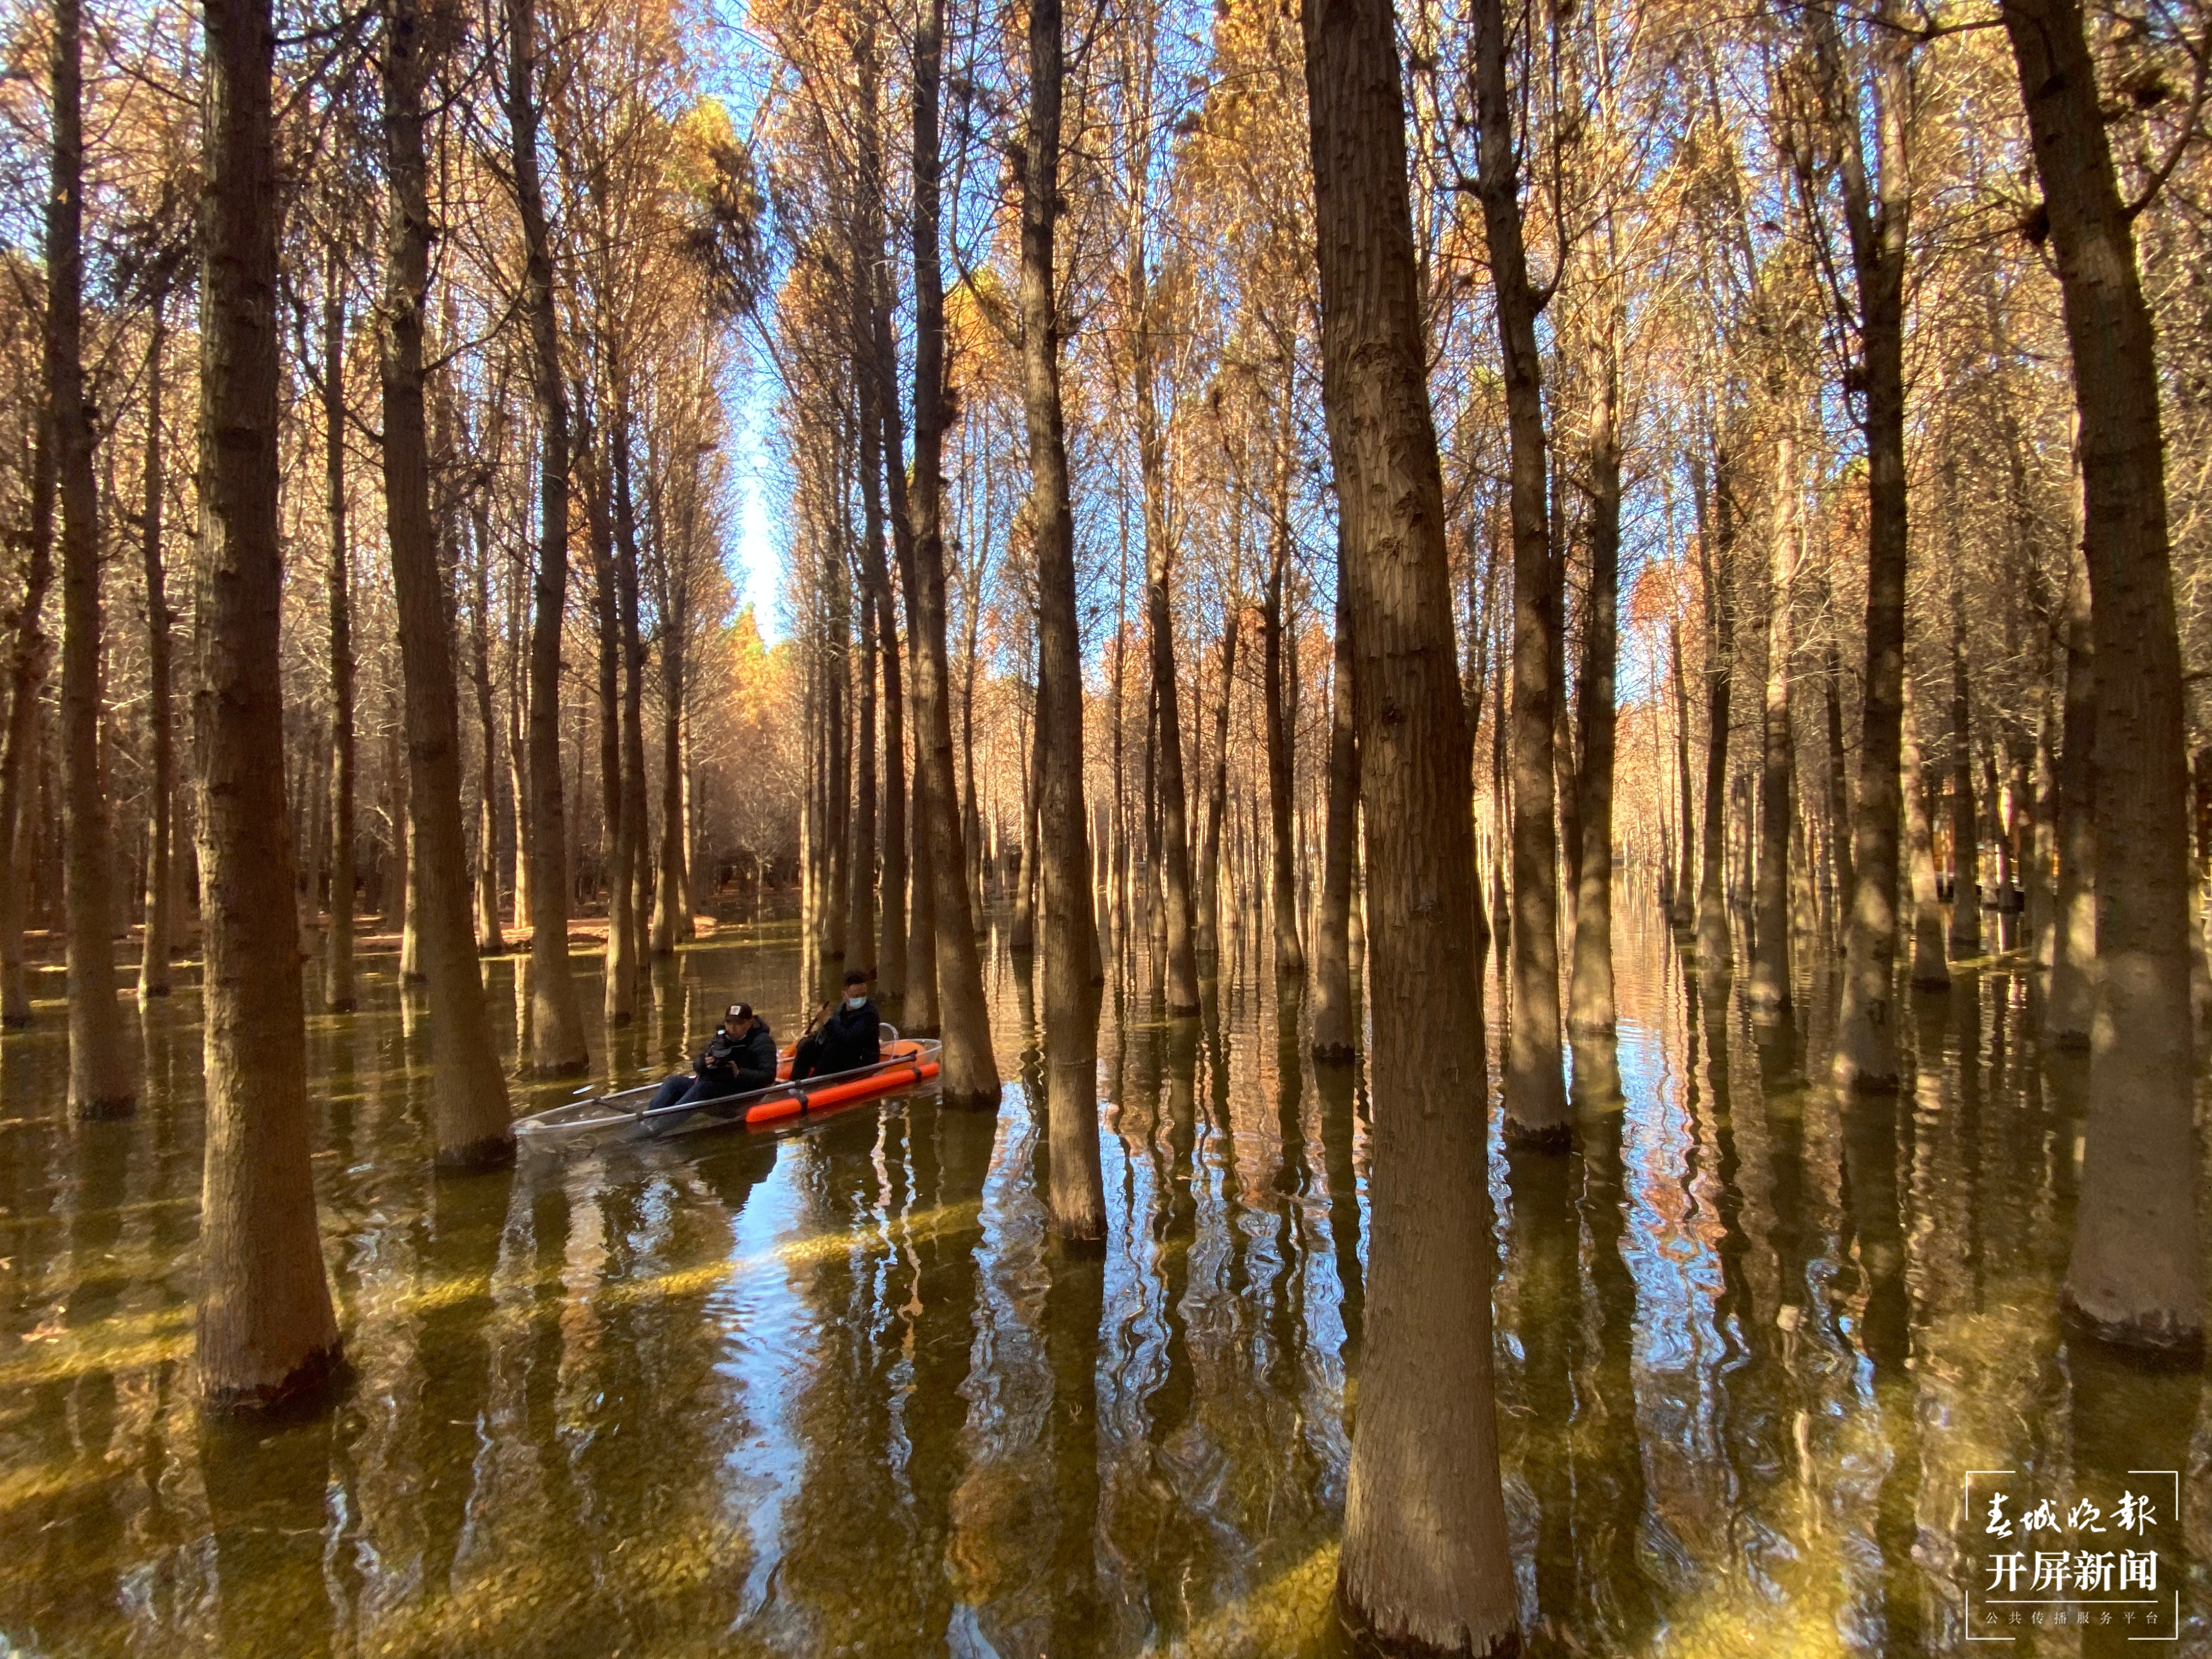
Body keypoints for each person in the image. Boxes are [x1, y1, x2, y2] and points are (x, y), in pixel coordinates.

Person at [644, 1003, 778, 1119]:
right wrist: (704, 1063)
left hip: (739, 1094)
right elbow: (698, 1063)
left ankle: (660, 1126)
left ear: (749, 1023)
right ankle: (649, 1119)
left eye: (739, 1024)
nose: (733, 1028)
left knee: (703, 1089)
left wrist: (739, 1072)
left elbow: (768, 1076)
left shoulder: (762, 1041)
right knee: (673, 1082)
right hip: (715, 1087)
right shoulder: (721, 1038)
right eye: (729, 1023)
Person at [793, 970, 882, 1080]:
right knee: (807, 1045)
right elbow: (833, 1031)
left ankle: (817, 1081)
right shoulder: (841, 1009)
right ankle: (795, 1081)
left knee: (834, 1048)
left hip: (861, 1057)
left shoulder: (869, 1014)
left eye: (863, 995)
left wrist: (827, 1021)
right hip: (843, 1054)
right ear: (845, 995)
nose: (860, 999)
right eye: (856, 996)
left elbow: (849, 1038)